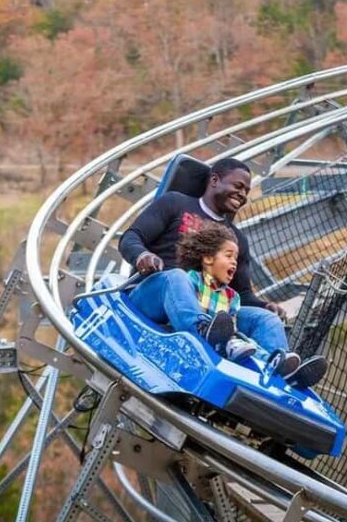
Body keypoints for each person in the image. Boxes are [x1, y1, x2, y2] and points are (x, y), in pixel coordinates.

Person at [119, 157, 327, 389]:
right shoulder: (175, 203)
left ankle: (279, 372)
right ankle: (202, 331)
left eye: (247, 191)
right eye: (238, 187)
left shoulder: (236, 239)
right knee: (177, 277)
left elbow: (243, 293)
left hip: (209, 307)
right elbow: (131, 237)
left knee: (265, 320)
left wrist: (264, 306)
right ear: (215, 181)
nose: (243, 195)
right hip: (153, 298)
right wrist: (141, 256)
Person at [175, 220, 259, 362]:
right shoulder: (192, 279)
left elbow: (231, 324)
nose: (234, 262)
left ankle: (273, 362)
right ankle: (203, 329)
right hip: (191, 335)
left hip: (218, 344)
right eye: (228, 256)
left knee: (250, 343)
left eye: (236, 258)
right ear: (208, 258)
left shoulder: (233, 297)